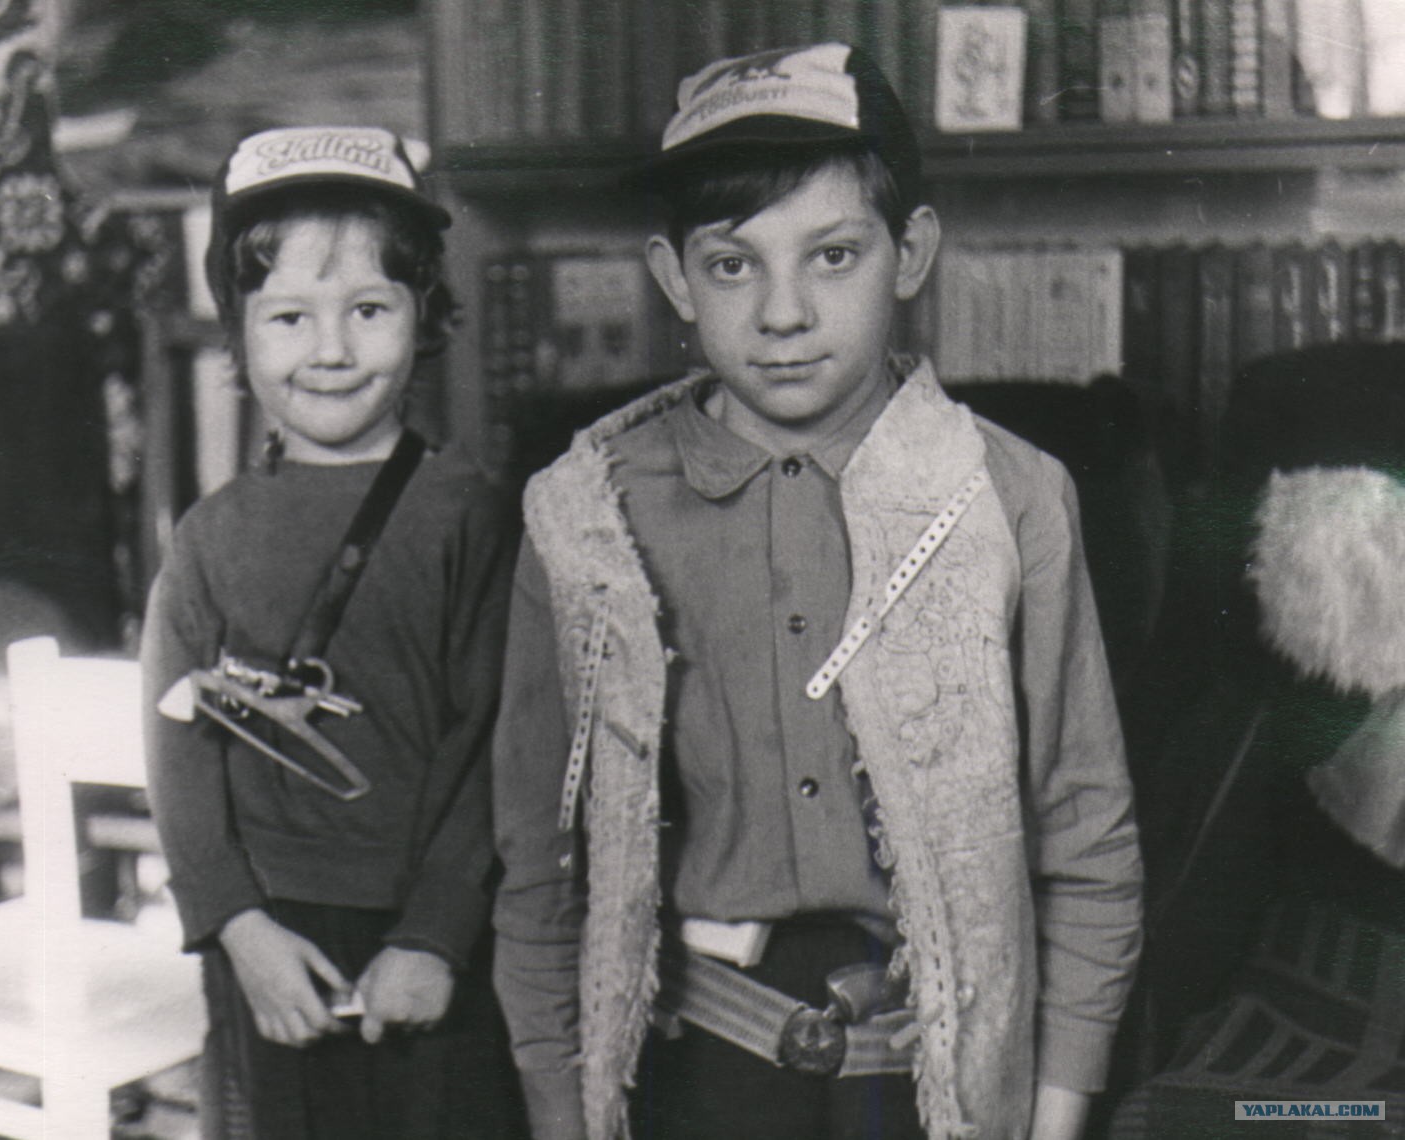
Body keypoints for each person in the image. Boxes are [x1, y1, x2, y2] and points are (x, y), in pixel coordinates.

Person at [490, 43, 1143, 1140]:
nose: (783, 312)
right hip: (694, 1080)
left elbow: (1084, 840)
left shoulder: (1014, 496)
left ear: (911, 252)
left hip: (939, 1089)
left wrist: (1054, 1119)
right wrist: (566, 1118)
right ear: (672, 279)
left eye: (833, 256)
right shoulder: (586, 512)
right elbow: (539, 861)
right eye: (732, 265)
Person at [142, 125, 519, 1139]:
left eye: (368, 309)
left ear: (424, 313)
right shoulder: (209, 536)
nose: (331, 351)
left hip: (435, 929)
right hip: (269, 940)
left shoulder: (472, 515)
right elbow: (178, 753)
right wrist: (238, 928)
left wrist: (435, 936)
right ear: (238, 333)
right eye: (288, 317)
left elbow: (499, 740)